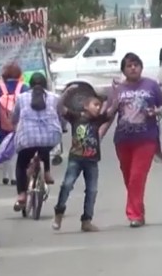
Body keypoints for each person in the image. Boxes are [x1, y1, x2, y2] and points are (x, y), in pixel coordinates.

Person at [101, 52, 162, 227]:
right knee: (129, 178)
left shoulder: (151, 85)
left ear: (141, 67)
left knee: (137, 177)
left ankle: (134, 215)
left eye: (136, 65)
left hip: (146, 138)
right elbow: (108, 115)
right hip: (123, 140)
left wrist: (156, 111)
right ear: (123, 70)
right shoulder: (117, 90)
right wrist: (97, 137)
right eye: (129, 66)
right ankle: (139, 210)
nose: (133, 68)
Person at [52, 90, 115, 232]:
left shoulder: (98, 120)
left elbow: (111, 110)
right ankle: (59, 213)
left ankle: (87, 220)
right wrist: (66, 93)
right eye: (95, 105)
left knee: (92, 190)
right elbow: (60, 107)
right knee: (67, 185)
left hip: (92, 161)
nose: (98, 108)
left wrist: (115, 94)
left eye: (100, 106)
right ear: (86, 106)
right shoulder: (75, 117)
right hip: (76, 159)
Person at [11, 72, 62, 211]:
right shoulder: (54, 98)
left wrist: (14, 124)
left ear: (30, 85)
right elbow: (61, 116)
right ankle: (46, 172)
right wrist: (62, 128)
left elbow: (14, 117)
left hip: (27, 138)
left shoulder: (21, 98)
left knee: (21, 164)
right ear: (45, 85)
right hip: (50, 137)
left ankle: (21, 194)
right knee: (44, 145)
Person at [0, 63, 28, 185]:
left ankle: (6, 174)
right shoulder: (24, 88)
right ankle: (14, 176)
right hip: (20, 123)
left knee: (5, 147)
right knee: (16, 149)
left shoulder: (0, 88)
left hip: (4, 123)